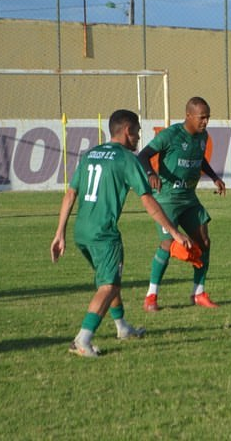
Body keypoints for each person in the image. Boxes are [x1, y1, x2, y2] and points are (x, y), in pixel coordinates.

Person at [51, 109, 192, 358]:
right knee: (108, 285)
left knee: (110, 279)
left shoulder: (90, 154)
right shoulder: (127, 159)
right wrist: (174, 232)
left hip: (81, 232)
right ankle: (83, 339)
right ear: (127, 131)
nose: (138, 137)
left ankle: (122, 327)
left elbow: (71, 193)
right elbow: (148, 201)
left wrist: (59, 233)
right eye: (137, 132)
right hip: (104, 234)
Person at [140, 96, 226, 311]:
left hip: (188, 197)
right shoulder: (171, 135)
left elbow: (200, 159)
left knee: (204, 241)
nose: (206, 121)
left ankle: (198, 293)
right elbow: (143, 155)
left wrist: (214, 177)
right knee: (168, 244)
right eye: (202, 117)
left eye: (208, 117)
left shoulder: (203, 136)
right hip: (167, 198)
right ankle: (151, 296)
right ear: (188, 115)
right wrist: (151, 173)